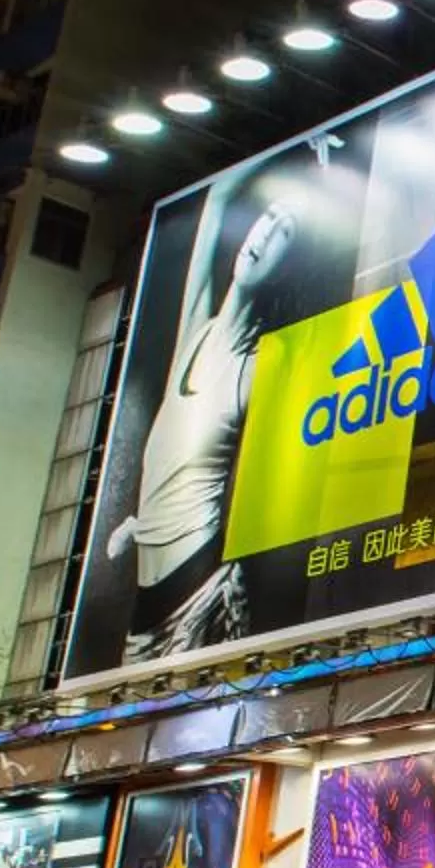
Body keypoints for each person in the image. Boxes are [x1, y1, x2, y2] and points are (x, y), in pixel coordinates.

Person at [102, 196, 298, 660]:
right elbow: (215, 202)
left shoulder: (258, 369)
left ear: (285, 269)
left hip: (199, 600)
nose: (262, 237)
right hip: (143, 614)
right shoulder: (196, 330)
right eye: (266, 218)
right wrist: (138, 523)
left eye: (283, 234)